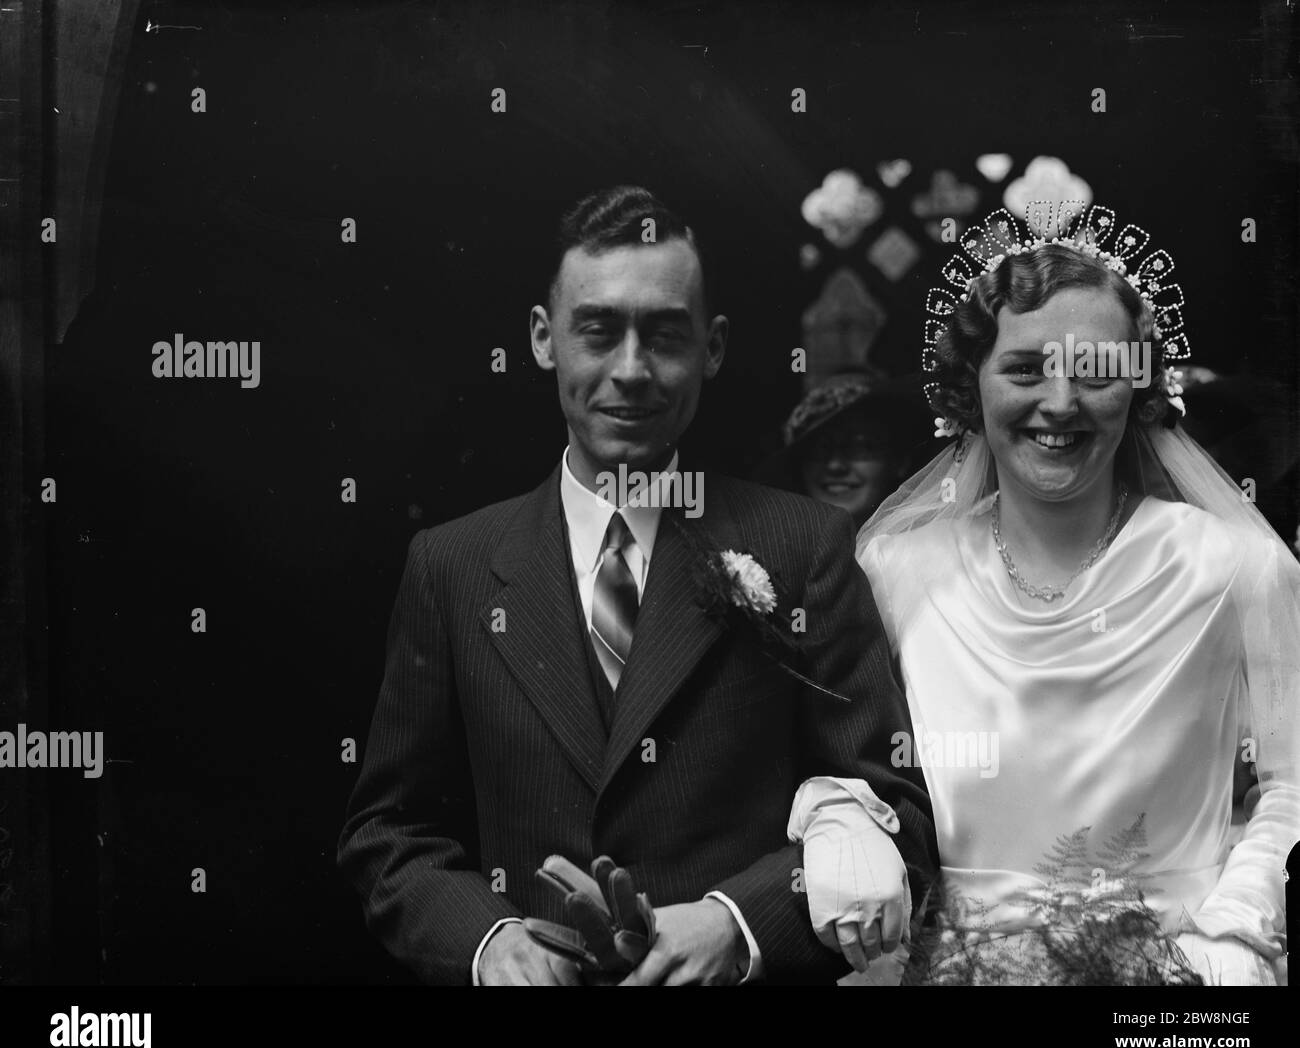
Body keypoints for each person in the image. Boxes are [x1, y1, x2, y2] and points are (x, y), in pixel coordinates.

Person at [336, 185, 936, 986]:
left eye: (664, 335)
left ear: (713, 347)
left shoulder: (802, 546)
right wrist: (489, 943)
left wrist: (739, 925)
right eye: (598, 330)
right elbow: (388, 833)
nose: (630, 370)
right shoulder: (450, 566)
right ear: (545, 340)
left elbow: (893, 813)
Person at [806, 203, 1299, 985]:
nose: (1061, 403)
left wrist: (1237, 929)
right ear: (973, 384)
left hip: (1171, 983)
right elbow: (842, 756)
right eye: (1027, 368)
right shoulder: (894, 572)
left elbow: (1293, 781)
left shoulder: (1232, 566)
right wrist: (834, 808)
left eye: (1096, 371)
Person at [754, 372, 930, 529]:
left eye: (859, 447)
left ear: (899, 460)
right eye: (820, 448)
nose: (835, 465)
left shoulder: (926, 550)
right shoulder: (775, 552)